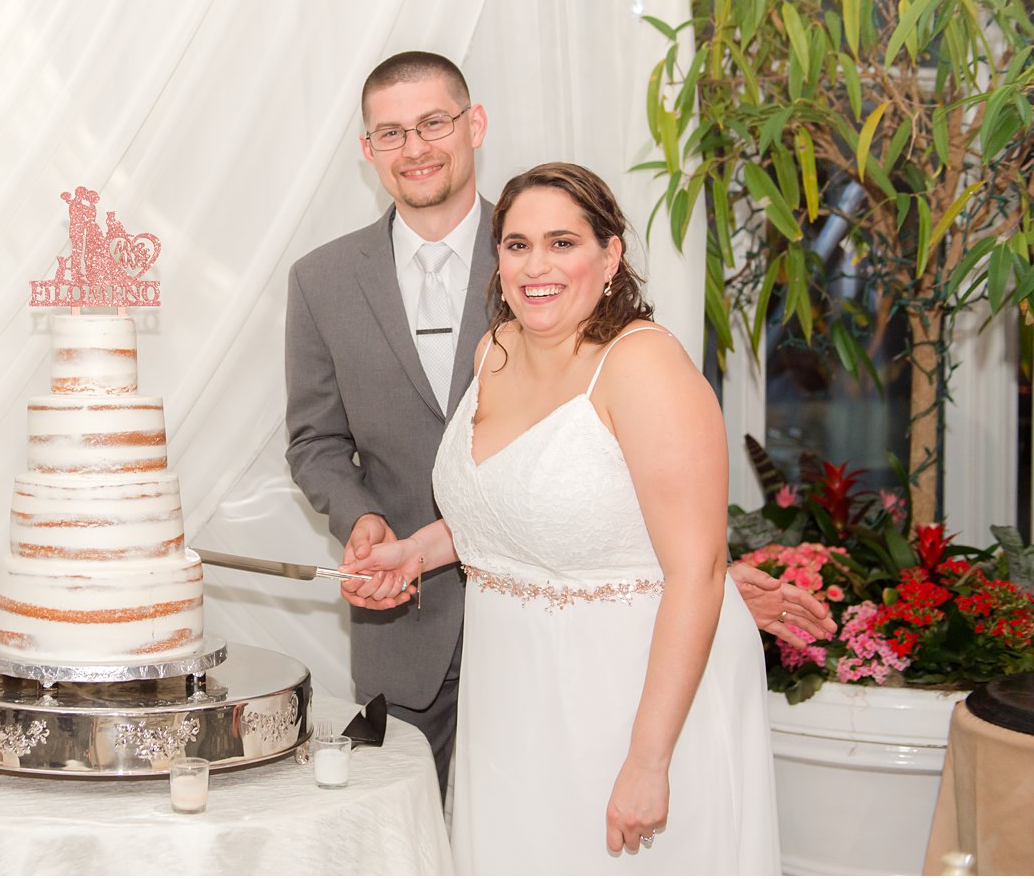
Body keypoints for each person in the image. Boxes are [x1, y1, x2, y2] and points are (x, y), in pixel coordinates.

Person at [285, 51, 832, 797]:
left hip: (594, 661)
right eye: (391, 133)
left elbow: (630, 498)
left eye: (434, 123)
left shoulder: (546, 260)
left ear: (473, 124)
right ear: (368, 149)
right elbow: (316, 439)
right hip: (408, 637)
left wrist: (714, 583)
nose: (414, 148)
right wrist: (373, 527)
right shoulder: (326, 282)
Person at [341, 161, 781, 873]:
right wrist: (412, 555)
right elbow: (503, 508)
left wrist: (648, 759)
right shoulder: (497, 350)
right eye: (517, 245)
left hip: (630, 687)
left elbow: (697, 571)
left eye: (562, 243)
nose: (535, 265)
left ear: (610, 256)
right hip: (513, 683)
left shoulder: (644, 367)